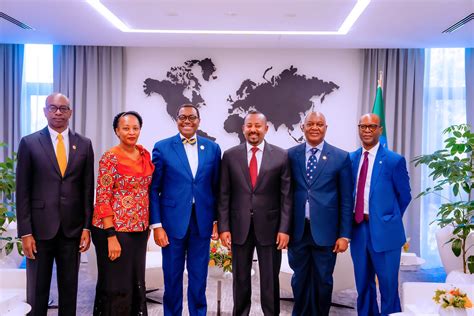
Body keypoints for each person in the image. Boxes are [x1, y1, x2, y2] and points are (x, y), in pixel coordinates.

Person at [16, 93, 94, 315]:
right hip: (39, 230)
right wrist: (25, 232)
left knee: (70, 289)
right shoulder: (29, 143)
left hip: (72, 229)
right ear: (45, 111)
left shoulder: (84, 144)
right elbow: (22, 191)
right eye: (53, 108)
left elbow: (88, 189)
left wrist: (87, 227)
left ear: (70, 112)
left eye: (63, 108)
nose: (58, 112)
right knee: (37, 290)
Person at [218, 110, 292, 316]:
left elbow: (287, 197)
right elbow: (224, 194)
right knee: (240, 278)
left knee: (270, 279)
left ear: (266, 129)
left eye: (258, 126)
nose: (253, 130)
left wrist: (284, 229)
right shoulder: (230, 155)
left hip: (270, 228)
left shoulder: (281, 155)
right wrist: (224, 227)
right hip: (239, 226)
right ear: (243, 129)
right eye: (249, 125)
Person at [149, 104, 221, 316]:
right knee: (172, 277)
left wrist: (216, 221)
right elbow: (154, 189)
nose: (187, 120)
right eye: (182, 117)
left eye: (192, 117)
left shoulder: (212, 149)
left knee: (199, 277)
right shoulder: (162, 147)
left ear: (199, 120)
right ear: (177, 119)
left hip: (202, 222)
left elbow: (216, 188)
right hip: (171, 223)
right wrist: (157, 225)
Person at [287, 111, 353, 315]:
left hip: (326, 232)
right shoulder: (290, 155)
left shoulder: (341, 157)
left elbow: (346, 199)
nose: (315, 127)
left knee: (323, 280)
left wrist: (344, 234)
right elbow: (285, 195)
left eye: (319, 124)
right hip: (298, 230)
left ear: (326, 128)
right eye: (310, 124)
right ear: (303, 127)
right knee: (299, 278)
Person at [91, 111, 154, 315]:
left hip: (139, 229)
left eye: (135, 128)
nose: (131, 132)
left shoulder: (144, 154)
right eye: (126, 128)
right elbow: (102, 197)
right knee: (117, 283)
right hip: (114, 230)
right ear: (117, 131)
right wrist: (111, 236)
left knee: (136, 281)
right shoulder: (110, 157)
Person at [350, 113, 411, 316]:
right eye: (363, 126)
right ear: (359, 129)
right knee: (363, 286)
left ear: (380, 130)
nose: (367, 130)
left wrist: (389, 218)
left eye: (372, 126)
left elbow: (405, 195)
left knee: (388, 288)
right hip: (359, 229)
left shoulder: (394, 160)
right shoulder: (351, 159)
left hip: (385, 233)